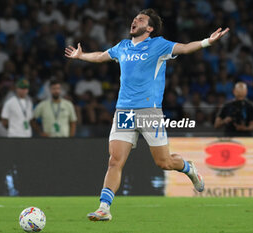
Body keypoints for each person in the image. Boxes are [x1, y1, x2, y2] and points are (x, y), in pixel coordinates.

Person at [65, 8, 229, 221]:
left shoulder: (158, 44)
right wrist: (81, 56)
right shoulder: (122, 47)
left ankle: (189, 168)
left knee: (164, 163)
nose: (135, 21)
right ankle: (104, 208)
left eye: (140, 19)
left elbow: (186, 48)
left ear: (149, 28)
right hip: (123, 111)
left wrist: (208, 41)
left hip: (149, 111)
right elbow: (101, 56)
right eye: (134, 18)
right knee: (114, 161)